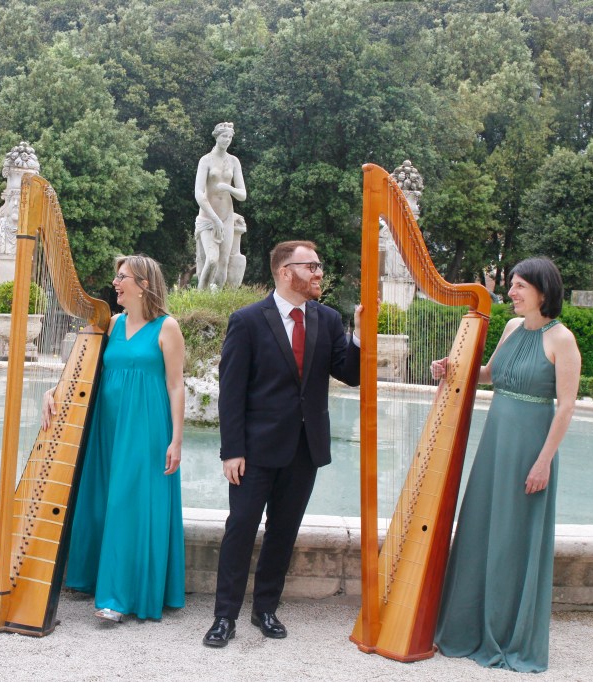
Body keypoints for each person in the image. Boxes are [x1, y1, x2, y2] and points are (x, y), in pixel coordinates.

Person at [203, 240, 361, 647]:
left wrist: (359, 335)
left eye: (319, 266)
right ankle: (224, 617)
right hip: (255, 450)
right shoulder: (247, 320)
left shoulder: (328, 320)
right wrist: (231, 450)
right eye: (311, 266)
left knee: (283, 531)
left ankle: (265, 610)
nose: (319, 273)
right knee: (240, 528)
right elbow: (231, 392)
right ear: (285, 271)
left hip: (305, 448)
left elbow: (351, 373)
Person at [433, 256, 581, 672]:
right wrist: (450, 368)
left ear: (543, 291)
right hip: (495, 444)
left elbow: (566, 407)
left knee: (513, 539)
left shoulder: (562, 339)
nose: (511, 293)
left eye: (519, 286)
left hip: (529, 450)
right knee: (481, 528)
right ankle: (467, 628)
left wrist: (543, 462)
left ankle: (506, 634)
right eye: (512, 285)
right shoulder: (513, 328)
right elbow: (488, 374)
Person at [43, 254, 186, 623]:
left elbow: (176, 385)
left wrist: (177, 439)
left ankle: (117, 597)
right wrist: (53, 392)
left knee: (127, 502)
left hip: (146, 425)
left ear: (144, 284)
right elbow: (83, 371)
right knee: (100, 498)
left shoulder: (167, 327)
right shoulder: (110, 324)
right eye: (117, 276)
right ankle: (92, 578)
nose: (115, 283)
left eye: (123, 277)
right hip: (106, 425)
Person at [195, 121, 247, 290]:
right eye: (224, 136)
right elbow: (199, 194)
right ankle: (200, 297)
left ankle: (216, 298)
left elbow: (242, 195)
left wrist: (228, 188)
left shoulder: (234, 161)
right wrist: (215, 219)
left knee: (223, 262)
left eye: (230, 137)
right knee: (212, 259)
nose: (227, 140)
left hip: (227, 217)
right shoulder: (206, 160)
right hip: (208, 217)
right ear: (216, 137)